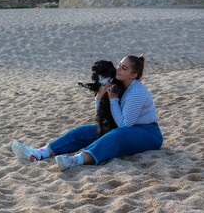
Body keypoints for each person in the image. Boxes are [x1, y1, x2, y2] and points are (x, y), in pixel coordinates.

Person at [11, 55, 163, 171]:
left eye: (124, 68)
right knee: (85, 130)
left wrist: (113, 100)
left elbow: (125, 125)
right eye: (119, 65)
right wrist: (98, 99)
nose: (118, 69)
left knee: (117, 134)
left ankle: (75, 161)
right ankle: (39, 153)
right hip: (126, 130)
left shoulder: (136, 92)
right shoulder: (119, 85)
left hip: (149, 134)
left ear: (134, 75)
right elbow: (105, 116)